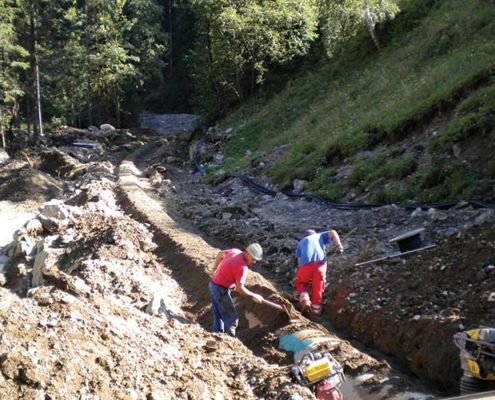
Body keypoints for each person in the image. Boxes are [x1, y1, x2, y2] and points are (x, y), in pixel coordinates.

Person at [208, 243, 264, 337]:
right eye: (254, 258)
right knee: (232, 319)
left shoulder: (235, 251)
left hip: (213, 285)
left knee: (218, 315)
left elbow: (220, 254)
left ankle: (218, 335)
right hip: (220, 290)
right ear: (248, 253)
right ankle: (229, 339)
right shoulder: (242, 267)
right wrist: (253, 295)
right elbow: (239, 288)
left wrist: (215, 268)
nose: (254, 262)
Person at [295, 229, 344, 317]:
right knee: (318, 287)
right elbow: (333, 232)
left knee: (301, 283)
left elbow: (299, 262)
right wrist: (339, 246)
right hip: (320, 265)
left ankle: (305, 300)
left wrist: (306, 276)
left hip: (305, 264)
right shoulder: (320, 236)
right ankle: (316, 311)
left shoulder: (301, 242)